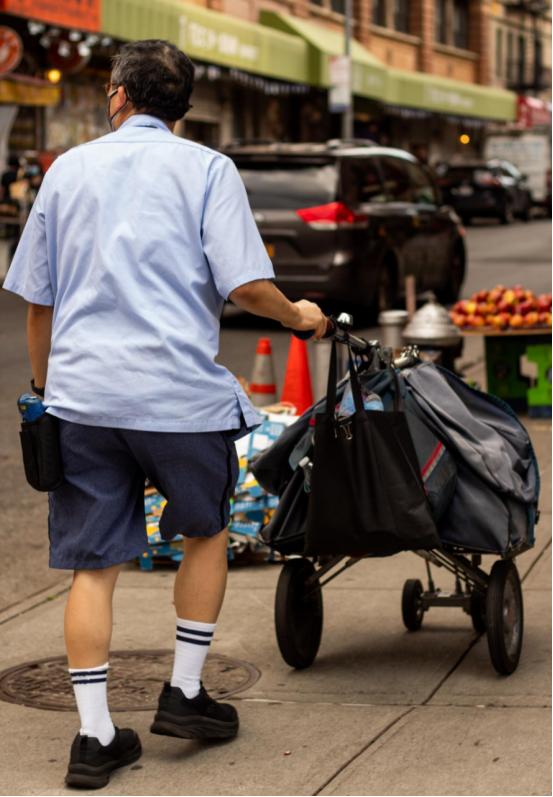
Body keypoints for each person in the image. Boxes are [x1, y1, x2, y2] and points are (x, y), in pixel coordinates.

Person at [3, 39, 326, 789]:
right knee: (206, 531)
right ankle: (184, 690)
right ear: (180, 110)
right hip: (179, 399)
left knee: (93, 563)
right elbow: (246, 286)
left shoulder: (66, 172)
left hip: (82, 400)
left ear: (117, 95)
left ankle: (94, 737)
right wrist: (298, 314)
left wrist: (50, 394)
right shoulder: (207, 169)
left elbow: (37, 305)